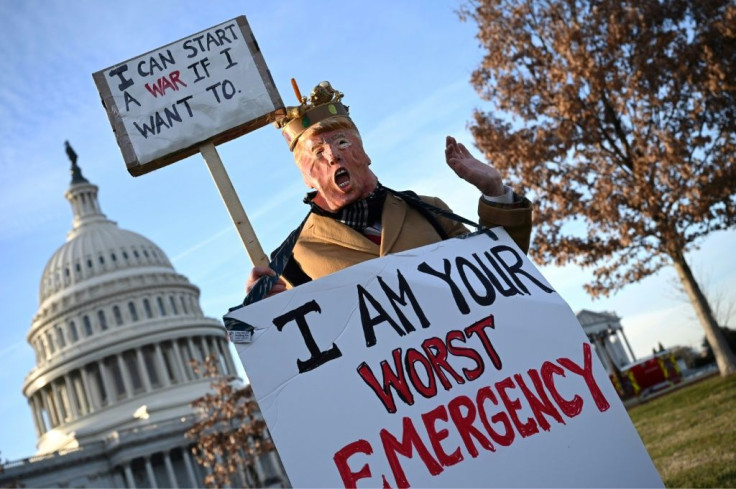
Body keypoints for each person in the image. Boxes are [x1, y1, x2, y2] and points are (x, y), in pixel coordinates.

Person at [246, 81, 532, 297]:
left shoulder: (429, 209)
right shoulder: (292, 259)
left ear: (366, 153)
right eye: (318, 152)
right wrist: (267, 311)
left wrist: (495, 191)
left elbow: (504, 273)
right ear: (307, 178)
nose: (333, 155)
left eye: (343, 143)